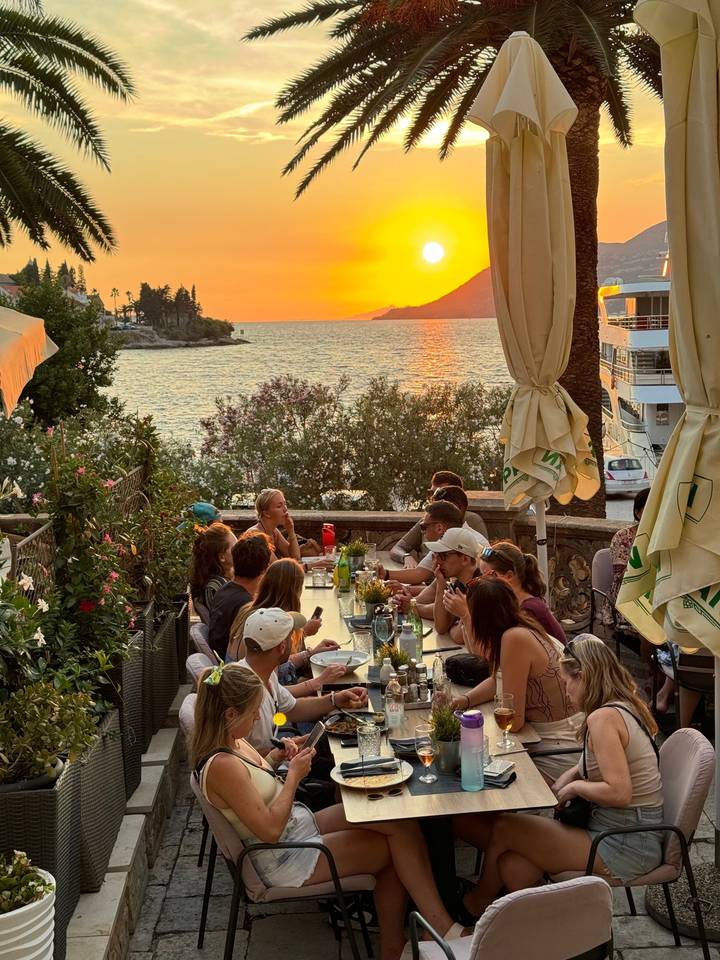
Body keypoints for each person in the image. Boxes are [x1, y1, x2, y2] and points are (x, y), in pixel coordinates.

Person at [192, 662, 467, 960]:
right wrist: (294, 776)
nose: (259, 716)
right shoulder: (222, 765)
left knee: (395, 821)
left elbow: (252, 784)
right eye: (254, 711)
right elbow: (269, 830)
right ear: (231, 714)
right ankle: (413, 937)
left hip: (294, 827)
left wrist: (275, 757)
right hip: (283, 856)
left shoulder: (231, 743)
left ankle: (431, 926)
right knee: (394, 851)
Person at [455, 634, 664, 920]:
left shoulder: (602, 719)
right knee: (513, 867)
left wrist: (576, 786)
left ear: (584, 677)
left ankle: (476, 905)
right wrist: (570, 776)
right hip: (628, 831)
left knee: (505, 827)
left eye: (567, 684)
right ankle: (556, 924)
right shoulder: (621, 705)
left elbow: (620, 792)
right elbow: (594, 764)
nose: (566, 693)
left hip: (625, 842)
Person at [448, 578, 581, 781]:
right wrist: (465, 700)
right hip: (559, 739)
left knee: (470, 770)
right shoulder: (521, 627)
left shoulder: (514, 639)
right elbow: (499, 680)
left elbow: (514, 721)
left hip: (558, 748)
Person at [237, 607, 370, 755]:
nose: (294, 641)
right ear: (282, 647)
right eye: (291, 638)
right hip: (268, 772)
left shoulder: (261, 672)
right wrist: (282, 751)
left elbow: (293, 709)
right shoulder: (244, 690)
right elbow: (244, 756)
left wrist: (335, 699)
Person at [227, 558, 344, 696]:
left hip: (247, 689)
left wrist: (311, 653)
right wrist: (317, 682)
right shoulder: (266, 625)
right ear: (294, 592)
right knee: (332, 688)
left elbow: (275, 665)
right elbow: (275, 692)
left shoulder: (252, 611)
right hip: (254, 699)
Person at [380, 492, 489, 588]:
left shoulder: (468, 544)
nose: (421, 531)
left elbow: (423, 578)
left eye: (423, 527)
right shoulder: (446, 541)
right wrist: (385, 575)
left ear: (439, 528)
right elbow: (428, 582)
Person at [397, 526, 481, 645]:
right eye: (435, 555)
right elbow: (441, 627)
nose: (437, 562)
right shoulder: (460, 584)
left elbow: (458, 636)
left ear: (465, 559)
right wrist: (440, 583)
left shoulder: (481, 588)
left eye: (443, 556)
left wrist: (454, 625)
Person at [473, 541, 566, 644]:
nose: (482, 581)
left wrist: (466, 616)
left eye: (488, 575)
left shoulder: (527, 609)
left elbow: (493, 651)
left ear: (509, 576)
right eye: (481, 575)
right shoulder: (512, 601)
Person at [389, 471, 488, 567]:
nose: (433, 499)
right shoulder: (428, 521)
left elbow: (482, 560)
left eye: (440, 495)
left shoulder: (473, 521)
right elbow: (398, 548)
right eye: (431, 494)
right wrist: (406, 557)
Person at [208, 532, 273, 661]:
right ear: (263, 570)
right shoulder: (246, 606)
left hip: (221, 660)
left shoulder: (223, 589)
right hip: (236, 668)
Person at [249, 488, 331, 569]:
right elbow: (277, 569)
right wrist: (312, 566)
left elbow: (295, 557)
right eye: (279, 506)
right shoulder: (256, 536)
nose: (285, 509)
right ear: (266, 513)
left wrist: (291, 531)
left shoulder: (273, 531)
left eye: (285, 504)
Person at [190, 521, 237, 615]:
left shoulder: (218, 582)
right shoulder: (215, 588)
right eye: (235, 547)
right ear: (221, 557)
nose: (240, 549)